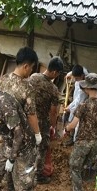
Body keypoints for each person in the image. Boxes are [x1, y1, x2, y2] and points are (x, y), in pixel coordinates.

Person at [0, 47, 43, 191]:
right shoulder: (27, 87)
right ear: (26, 66)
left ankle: (10, 187)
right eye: (31, 68)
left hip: (5, 129)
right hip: (20, 132)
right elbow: (31, 115)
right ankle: (21, 189)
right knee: (20, 159)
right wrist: (37, 134)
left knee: (8, 155)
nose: (30, 71)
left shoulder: (4, 79)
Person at [64, 73, 97, 191]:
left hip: (83, 141)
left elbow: (73, 125)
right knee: (86, 163)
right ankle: (86, 178)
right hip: (96, 141)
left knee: (74, 165)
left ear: (87, 88)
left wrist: (66, 128)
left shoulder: (83, 106)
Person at [28, 56, 64, 184]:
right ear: (54, 72)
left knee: (27, 145)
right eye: (58, 73)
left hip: (28, 118)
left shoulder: (33, 77)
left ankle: (23, 170)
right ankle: (38, 176)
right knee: (42, 148)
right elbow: (53, 111)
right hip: (41, 123)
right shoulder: (53, 89)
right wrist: (53, 126)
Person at [65, 64, 88, 142]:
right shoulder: (82, 72)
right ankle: (71, 136)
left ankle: (74, 140)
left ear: (82, 76)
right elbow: (82, 68)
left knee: (76, 123)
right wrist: (70, 74)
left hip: (81, 106)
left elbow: (78, 102)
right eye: (74, 77)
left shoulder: (84, 90)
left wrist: (70, 108)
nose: (75, 79)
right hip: (76, 100)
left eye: (77, 78)